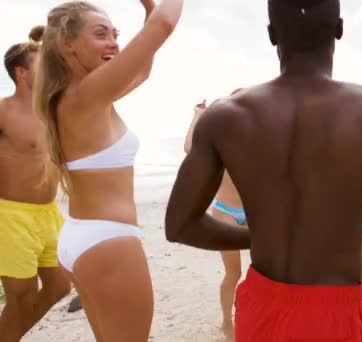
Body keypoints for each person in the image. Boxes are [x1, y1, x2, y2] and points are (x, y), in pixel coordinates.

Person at [165, 1, 362, 341]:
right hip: (337, 310)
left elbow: (179, 225)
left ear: (272, 35)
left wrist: (257, 237)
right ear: (339, 29)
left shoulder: (227, 116)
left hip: (262, 308)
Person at [33, 1, 183, 340]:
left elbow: (141, 71)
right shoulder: (84, 95)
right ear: (67, 44)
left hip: (82, 236)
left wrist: (148, 7)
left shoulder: (77, 97)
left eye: (115, 34)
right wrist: (156, 15)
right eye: (100, 34)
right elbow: (164, 25)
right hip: (109, 243)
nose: (114, 42)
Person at [0, 26, 71, 342]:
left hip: (49, 214)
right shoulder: (3, 110)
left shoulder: (53, 109)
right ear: (21, 72)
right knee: (21, 295)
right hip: (10, 216)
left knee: (59, 287)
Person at [185, 94, 247, 340]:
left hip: (254, 212)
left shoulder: (258, 139)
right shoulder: (220, 140)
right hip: (225, 212)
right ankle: (226, 321)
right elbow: (190, 148)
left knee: (264, 270)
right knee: (234, 273)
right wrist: (197, 115)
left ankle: (252, 313)